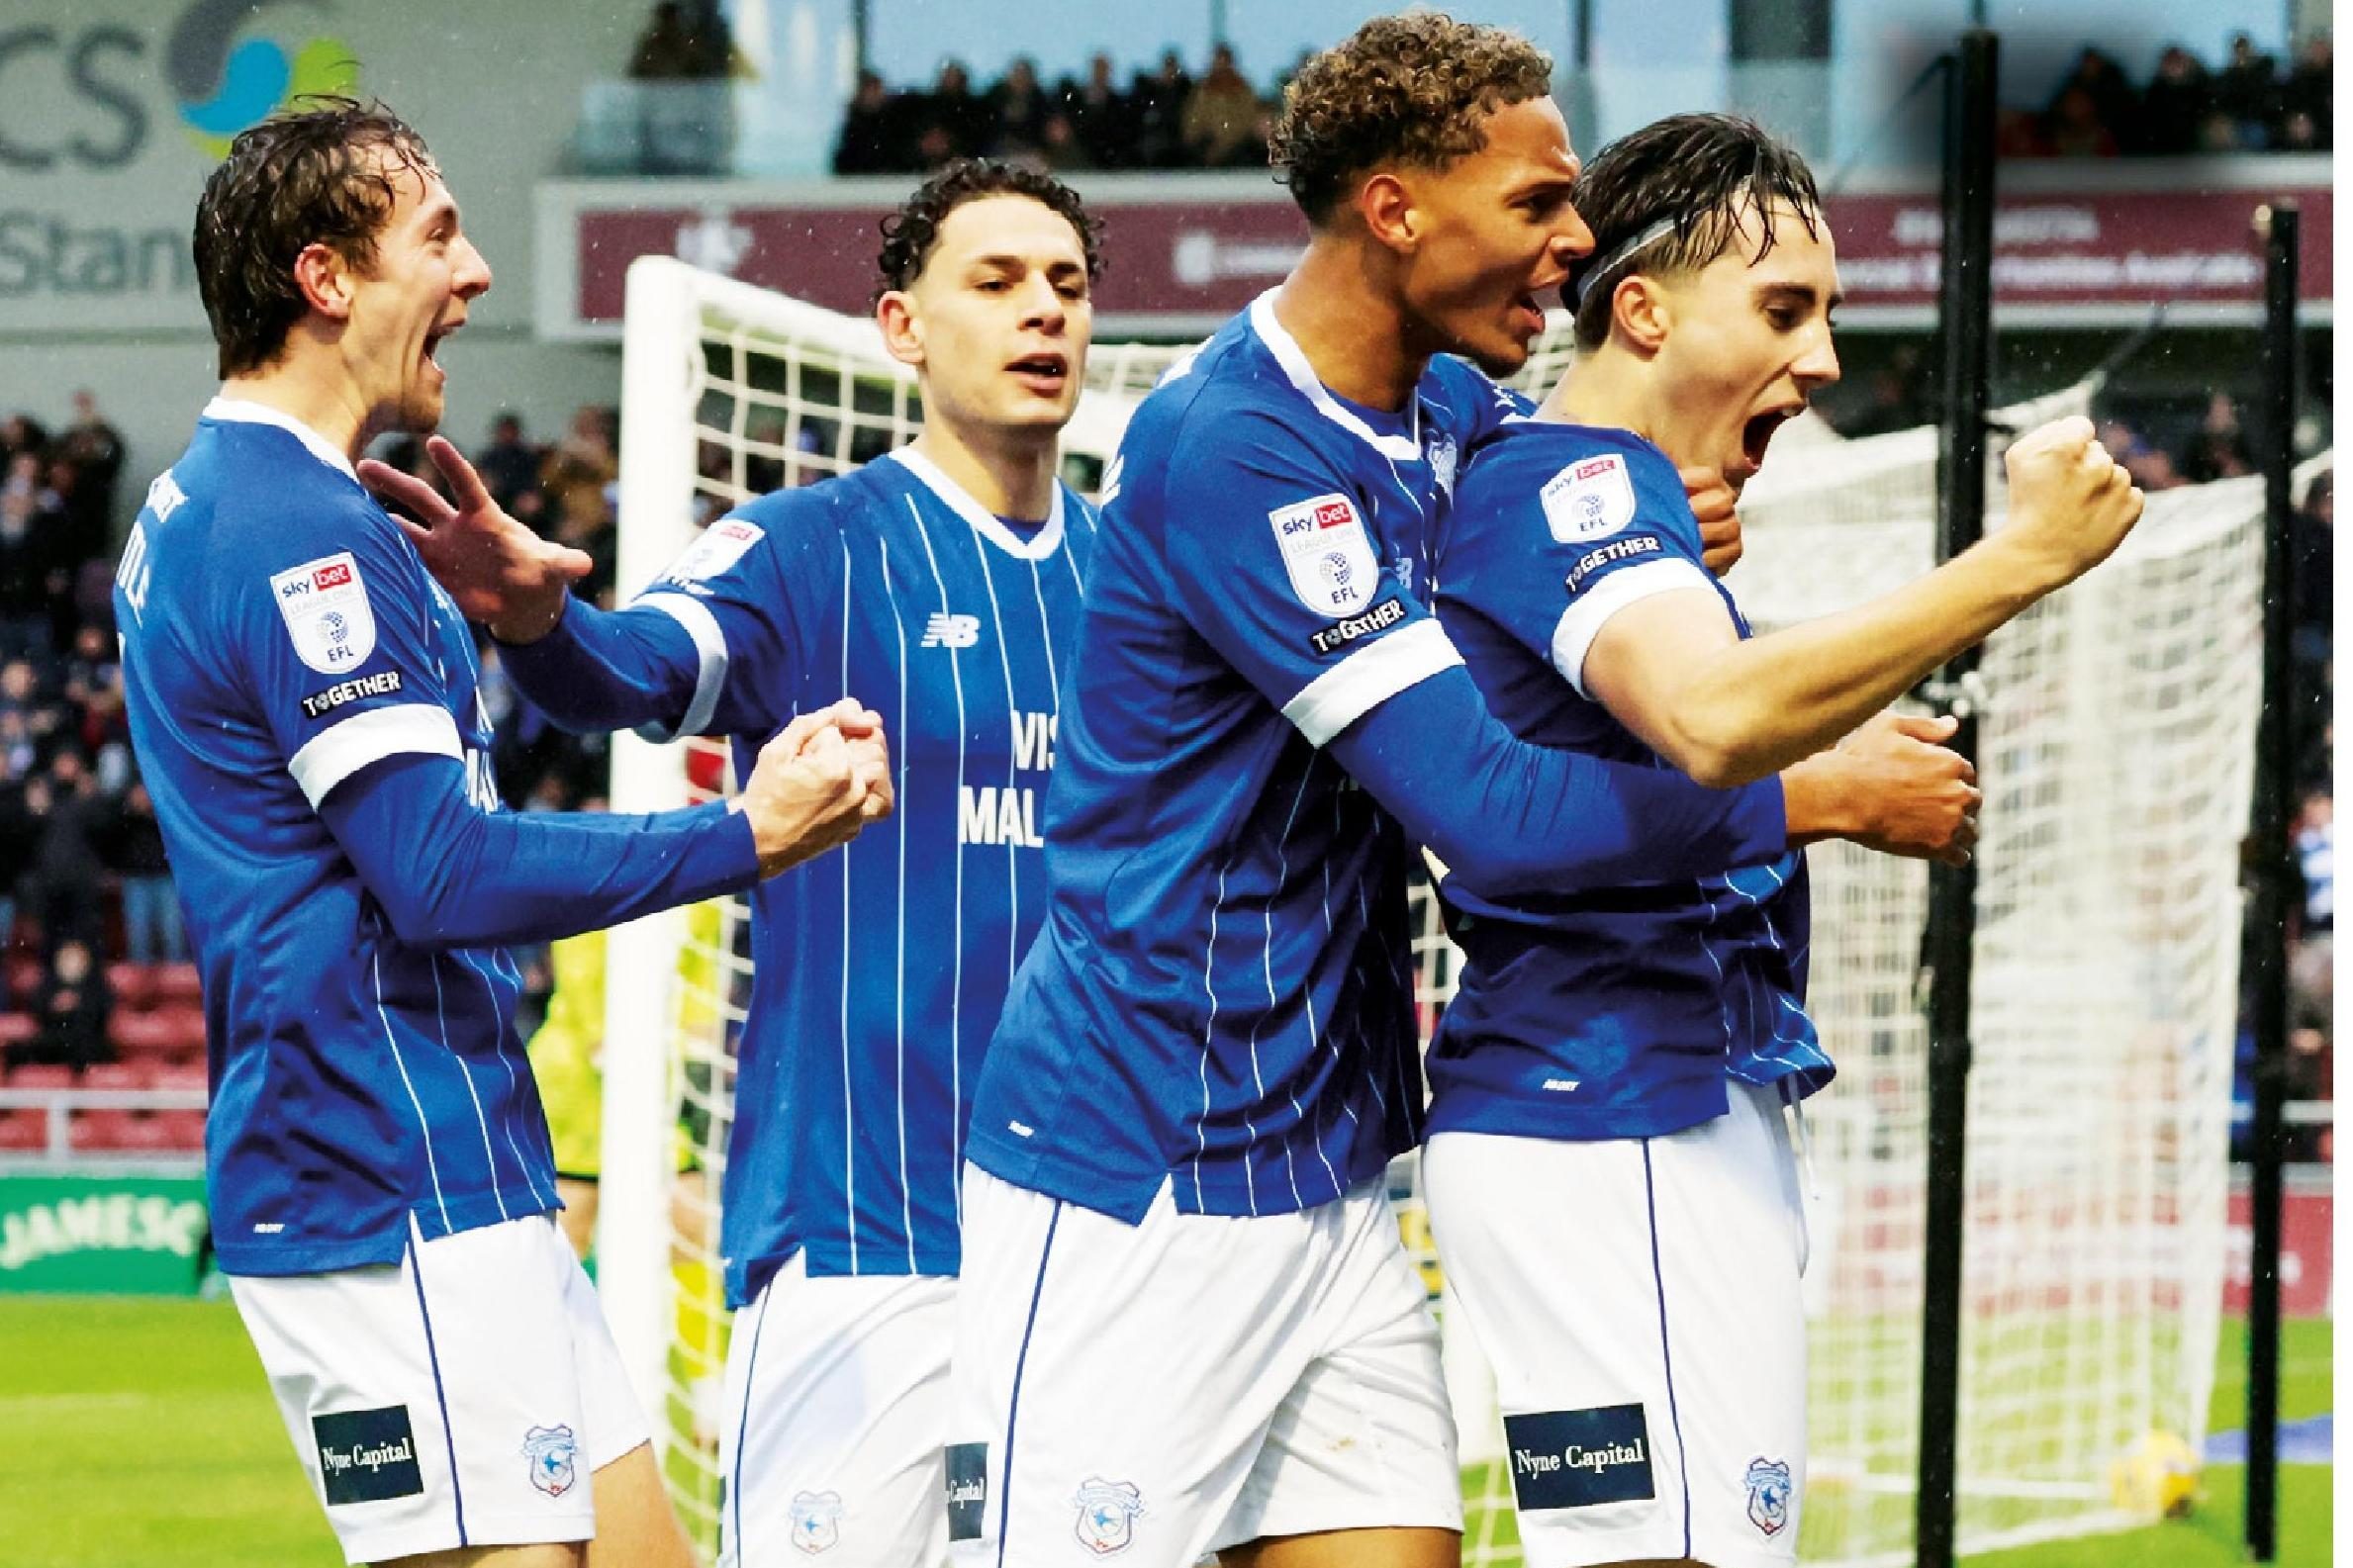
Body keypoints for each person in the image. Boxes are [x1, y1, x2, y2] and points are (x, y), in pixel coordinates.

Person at [947, 18, 1974, 1568]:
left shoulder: (1452, 419)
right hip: (1141, 1156)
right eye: (1538, 204)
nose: (1570, 246)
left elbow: (1577, 507)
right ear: (1395, 210)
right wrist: (1808, 793)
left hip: (1338, 1155)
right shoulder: (1233, 445)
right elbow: (1487, 804)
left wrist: (1657, 529)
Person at [117, 99, 891, 1568]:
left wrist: (528, 616)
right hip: (380, 1179)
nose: (472, 273)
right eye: (438, 235)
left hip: (466, 1175)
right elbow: (442, 872)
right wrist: (753, 832)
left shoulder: (229, 502)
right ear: (327, 279)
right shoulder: (298, 535)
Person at [1421, 112, 2142, 1568]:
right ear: (1638, 308)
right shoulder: (1576, 485)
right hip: (1613, 1110)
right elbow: (1712, 714)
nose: (1817, 360)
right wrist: (2017, 562)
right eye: (1781, 309)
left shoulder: (1582, 497)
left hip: (1623, 1105)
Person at [362, 159, 1105, 1568]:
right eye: (997, 282)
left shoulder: (1133, 583)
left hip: (1092, 1249)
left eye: (1066, 284)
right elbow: (631, 671)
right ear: (901, 327)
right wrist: (537, 626)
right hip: (857, 1237)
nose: (1042, 313)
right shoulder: (812, 548)